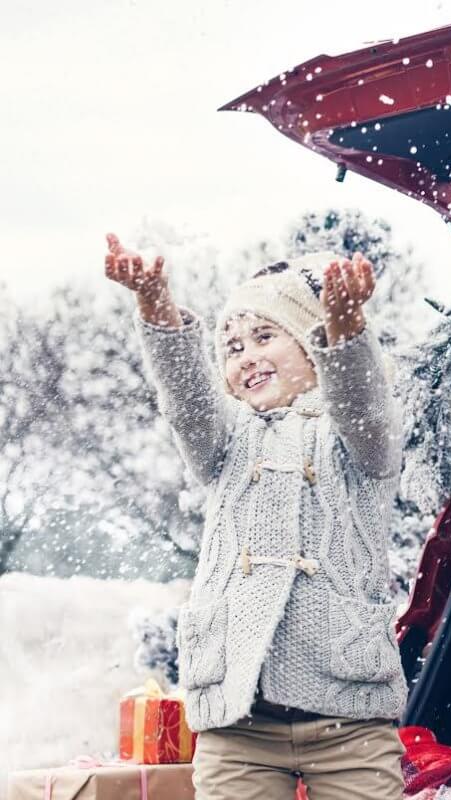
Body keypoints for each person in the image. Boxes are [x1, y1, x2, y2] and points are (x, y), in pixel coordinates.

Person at [104, 233, 406, 799]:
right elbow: (187, 394)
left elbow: (360, 400)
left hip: (350, 720)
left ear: (311, 344)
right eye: (232, 348)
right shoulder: (226, 441)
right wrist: (155, 305)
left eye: (264, 336)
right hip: (238, 725)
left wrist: (344, 328)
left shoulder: (357, 442)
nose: (246, 356)